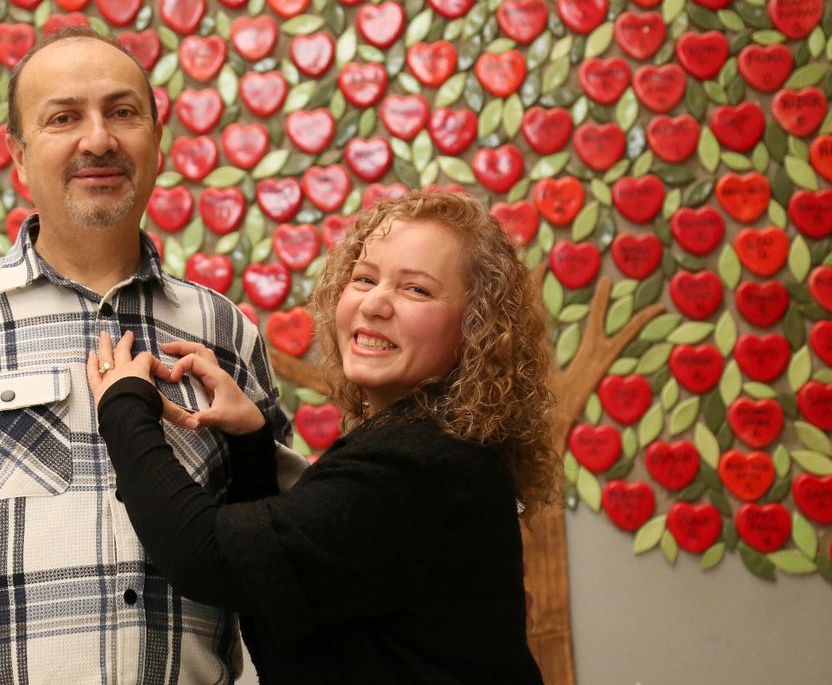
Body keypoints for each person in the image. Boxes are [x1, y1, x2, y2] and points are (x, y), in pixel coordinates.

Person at [0, 27, 296, 685]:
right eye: (63, 118)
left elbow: (279, 564)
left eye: (123, 113)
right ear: (18, 153)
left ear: (156, 140)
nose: (98, 139)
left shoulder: (225, 333)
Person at [90, 189, 558, 684]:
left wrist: (124, 406)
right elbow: (280, 587)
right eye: (365, 278)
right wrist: (250, 443)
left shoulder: (423, 464)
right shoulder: (429, 447)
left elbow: (206, 557)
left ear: (477, 327)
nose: (375, 304)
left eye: (417, 290)